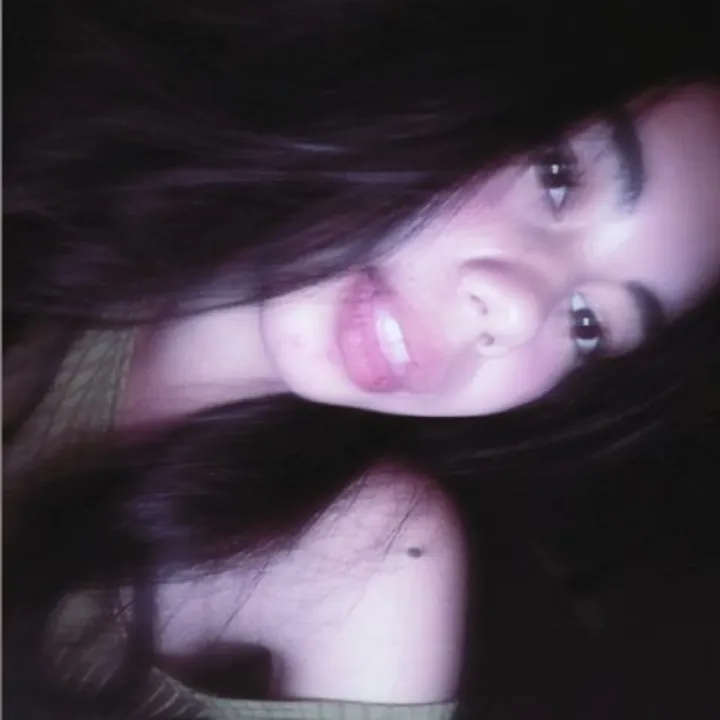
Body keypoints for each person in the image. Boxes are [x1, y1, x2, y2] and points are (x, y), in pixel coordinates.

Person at [4, 1, 720, 719]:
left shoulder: (372, 561)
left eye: (589, 325)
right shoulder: (102, 192)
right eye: (557, 177)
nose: (517, 312)